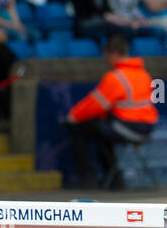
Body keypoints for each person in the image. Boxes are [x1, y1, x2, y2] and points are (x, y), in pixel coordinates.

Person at [63, 34, 158, 188]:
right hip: (147, 128)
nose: (105, 59)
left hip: (129, 127)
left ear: (113, 53)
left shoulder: (115, 77)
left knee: (79, 129)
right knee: (102, 134)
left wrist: (72, 117)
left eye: (106, 55)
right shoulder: (144, 74)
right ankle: (113, 180)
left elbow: (95, 105)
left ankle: (87, 179)